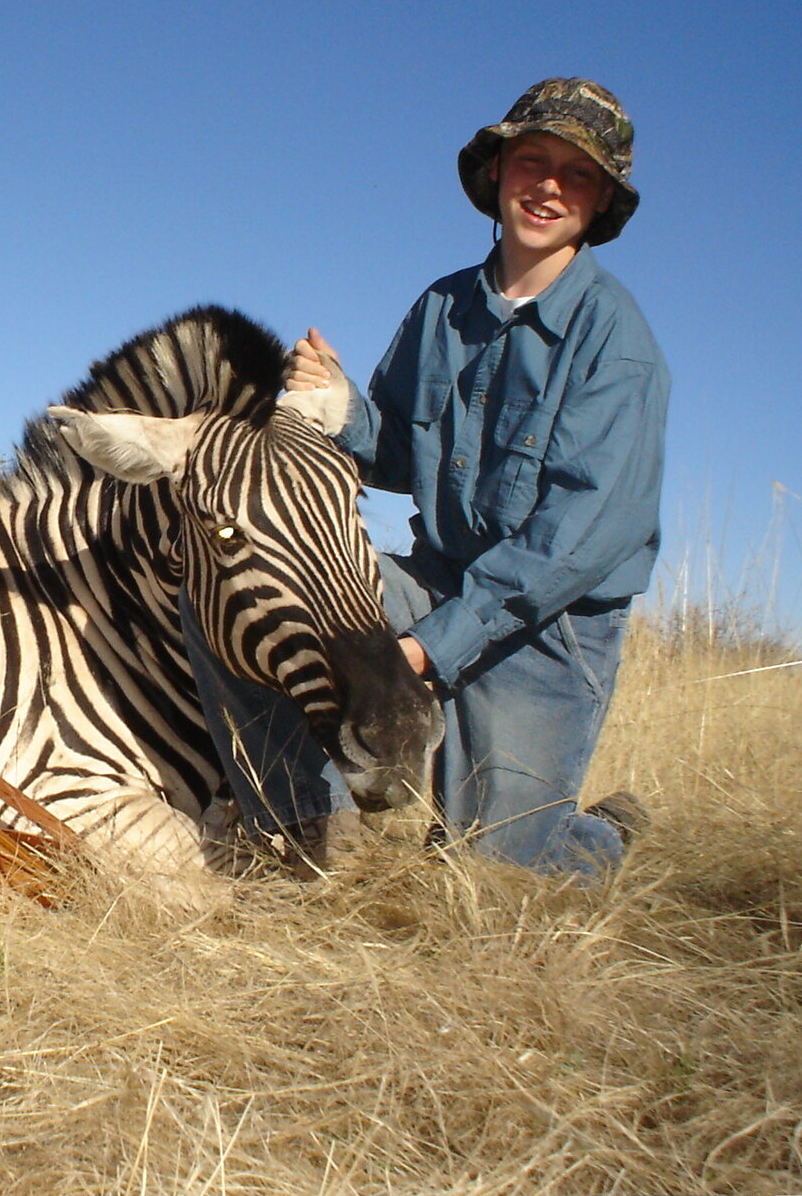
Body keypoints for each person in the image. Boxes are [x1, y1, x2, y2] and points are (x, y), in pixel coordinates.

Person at [208, 78, 668, 878]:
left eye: (577, 173)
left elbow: (570, 547)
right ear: (498, 174)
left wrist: (421, 652)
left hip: (544, 628)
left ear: (601, 203)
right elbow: (393, 453)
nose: (549, 184)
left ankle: (603, 838)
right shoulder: (442, 307)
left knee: (491, 880)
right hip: (432, 582)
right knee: (243, 585)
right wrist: (338, 408)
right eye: (532, 160)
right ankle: (303, 830)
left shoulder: (615, 341)